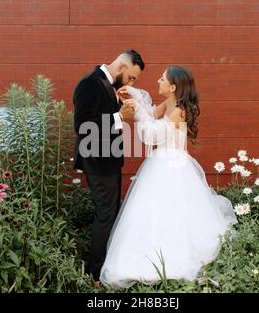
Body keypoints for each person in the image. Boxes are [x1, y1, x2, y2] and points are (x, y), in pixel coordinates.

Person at [99, 66, 237, 289]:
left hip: (172, 167)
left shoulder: (179, 110)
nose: (158, 81)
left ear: (173, 87)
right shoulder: (168, 104)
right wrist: (134, 96)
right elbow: (151, 112)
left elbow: (152, 134)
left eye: (162, 79)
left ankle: (170, 258)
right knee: (152, 213)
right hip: (159, 164)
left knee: (172, 213)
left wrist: (137, 111)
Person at [72, 50, 145, 285]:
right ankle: (96, 275)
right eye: (132, 77)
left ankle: (106, 267)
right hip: (97, 162)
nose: (132, 83)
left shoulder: (107, 85)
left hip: (109, 161)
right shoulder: (89, 84)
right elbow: (82, 126)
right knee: (105, 215)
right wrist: (118, 116)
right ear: (122, 67)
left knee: (111, 213)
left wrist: (119, 107)